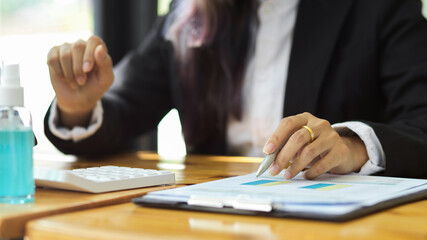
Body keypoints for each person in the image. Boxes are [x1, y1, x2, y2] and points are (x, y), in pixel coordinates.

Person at [44, 0, 427, 179]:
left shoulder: (378, 8)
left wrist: (352, 145)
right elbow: (122, 107)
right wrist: (78, 107)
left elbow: (422, 121)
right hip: (218, 216)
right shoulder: (190, 13)